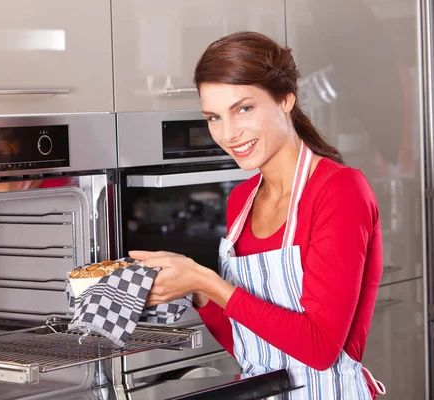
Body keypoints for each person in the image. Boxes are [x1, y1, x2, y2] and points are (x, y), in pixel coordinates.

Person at [129, 32, 385, 399]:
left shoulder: (339, 191)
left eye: (243, 109)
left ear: (286, 99)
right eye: (214, 117)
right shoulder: (242, 200)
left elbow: (319, 349)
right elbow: (250, 346)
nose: (229, 133)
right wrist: (194, 290)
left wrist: (206, 282)